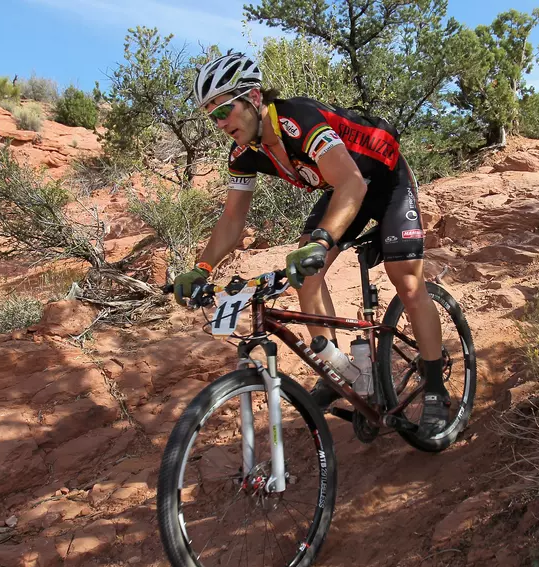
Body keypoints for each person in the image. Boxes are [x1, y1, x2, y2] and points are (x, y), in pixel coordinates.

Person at [171, 52, 455, 441]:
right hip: (343, 187)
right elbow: (233, 218)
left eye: (224, 110)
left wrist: (321, 241)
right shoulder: (243, 153)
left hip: (383, 182)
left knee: (406, 283)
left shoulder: (299, 120)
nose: (220, 124)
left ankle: (436, 387)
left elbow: (353, 183)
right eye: (212, 117)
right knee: (305, 276)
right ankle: (340, 370)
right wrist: (201, 268)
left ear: (254, 98)